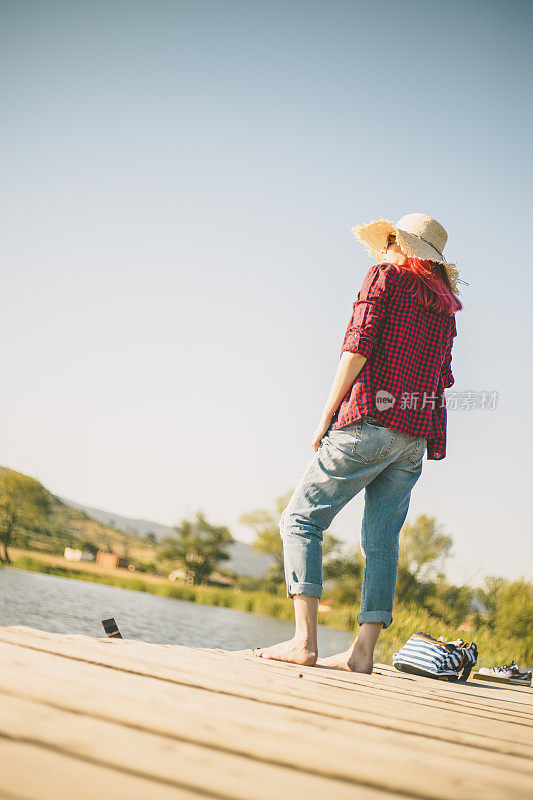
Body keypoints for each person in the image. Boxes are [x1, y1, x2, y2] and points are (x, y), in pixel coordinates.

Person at [251, 212, 465, 673]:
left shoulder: (384, 276)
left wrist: (327, 414)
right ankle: (362, 652)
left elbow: (357, 345)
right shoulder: (445, 308)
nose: (385, 245)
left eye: (391, 238)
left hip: (368, 419)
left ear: (400, 245)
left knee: (301, 520)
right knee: (382, 541)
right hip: (414, 435)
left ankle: (303, 642)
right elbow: (442, 376)